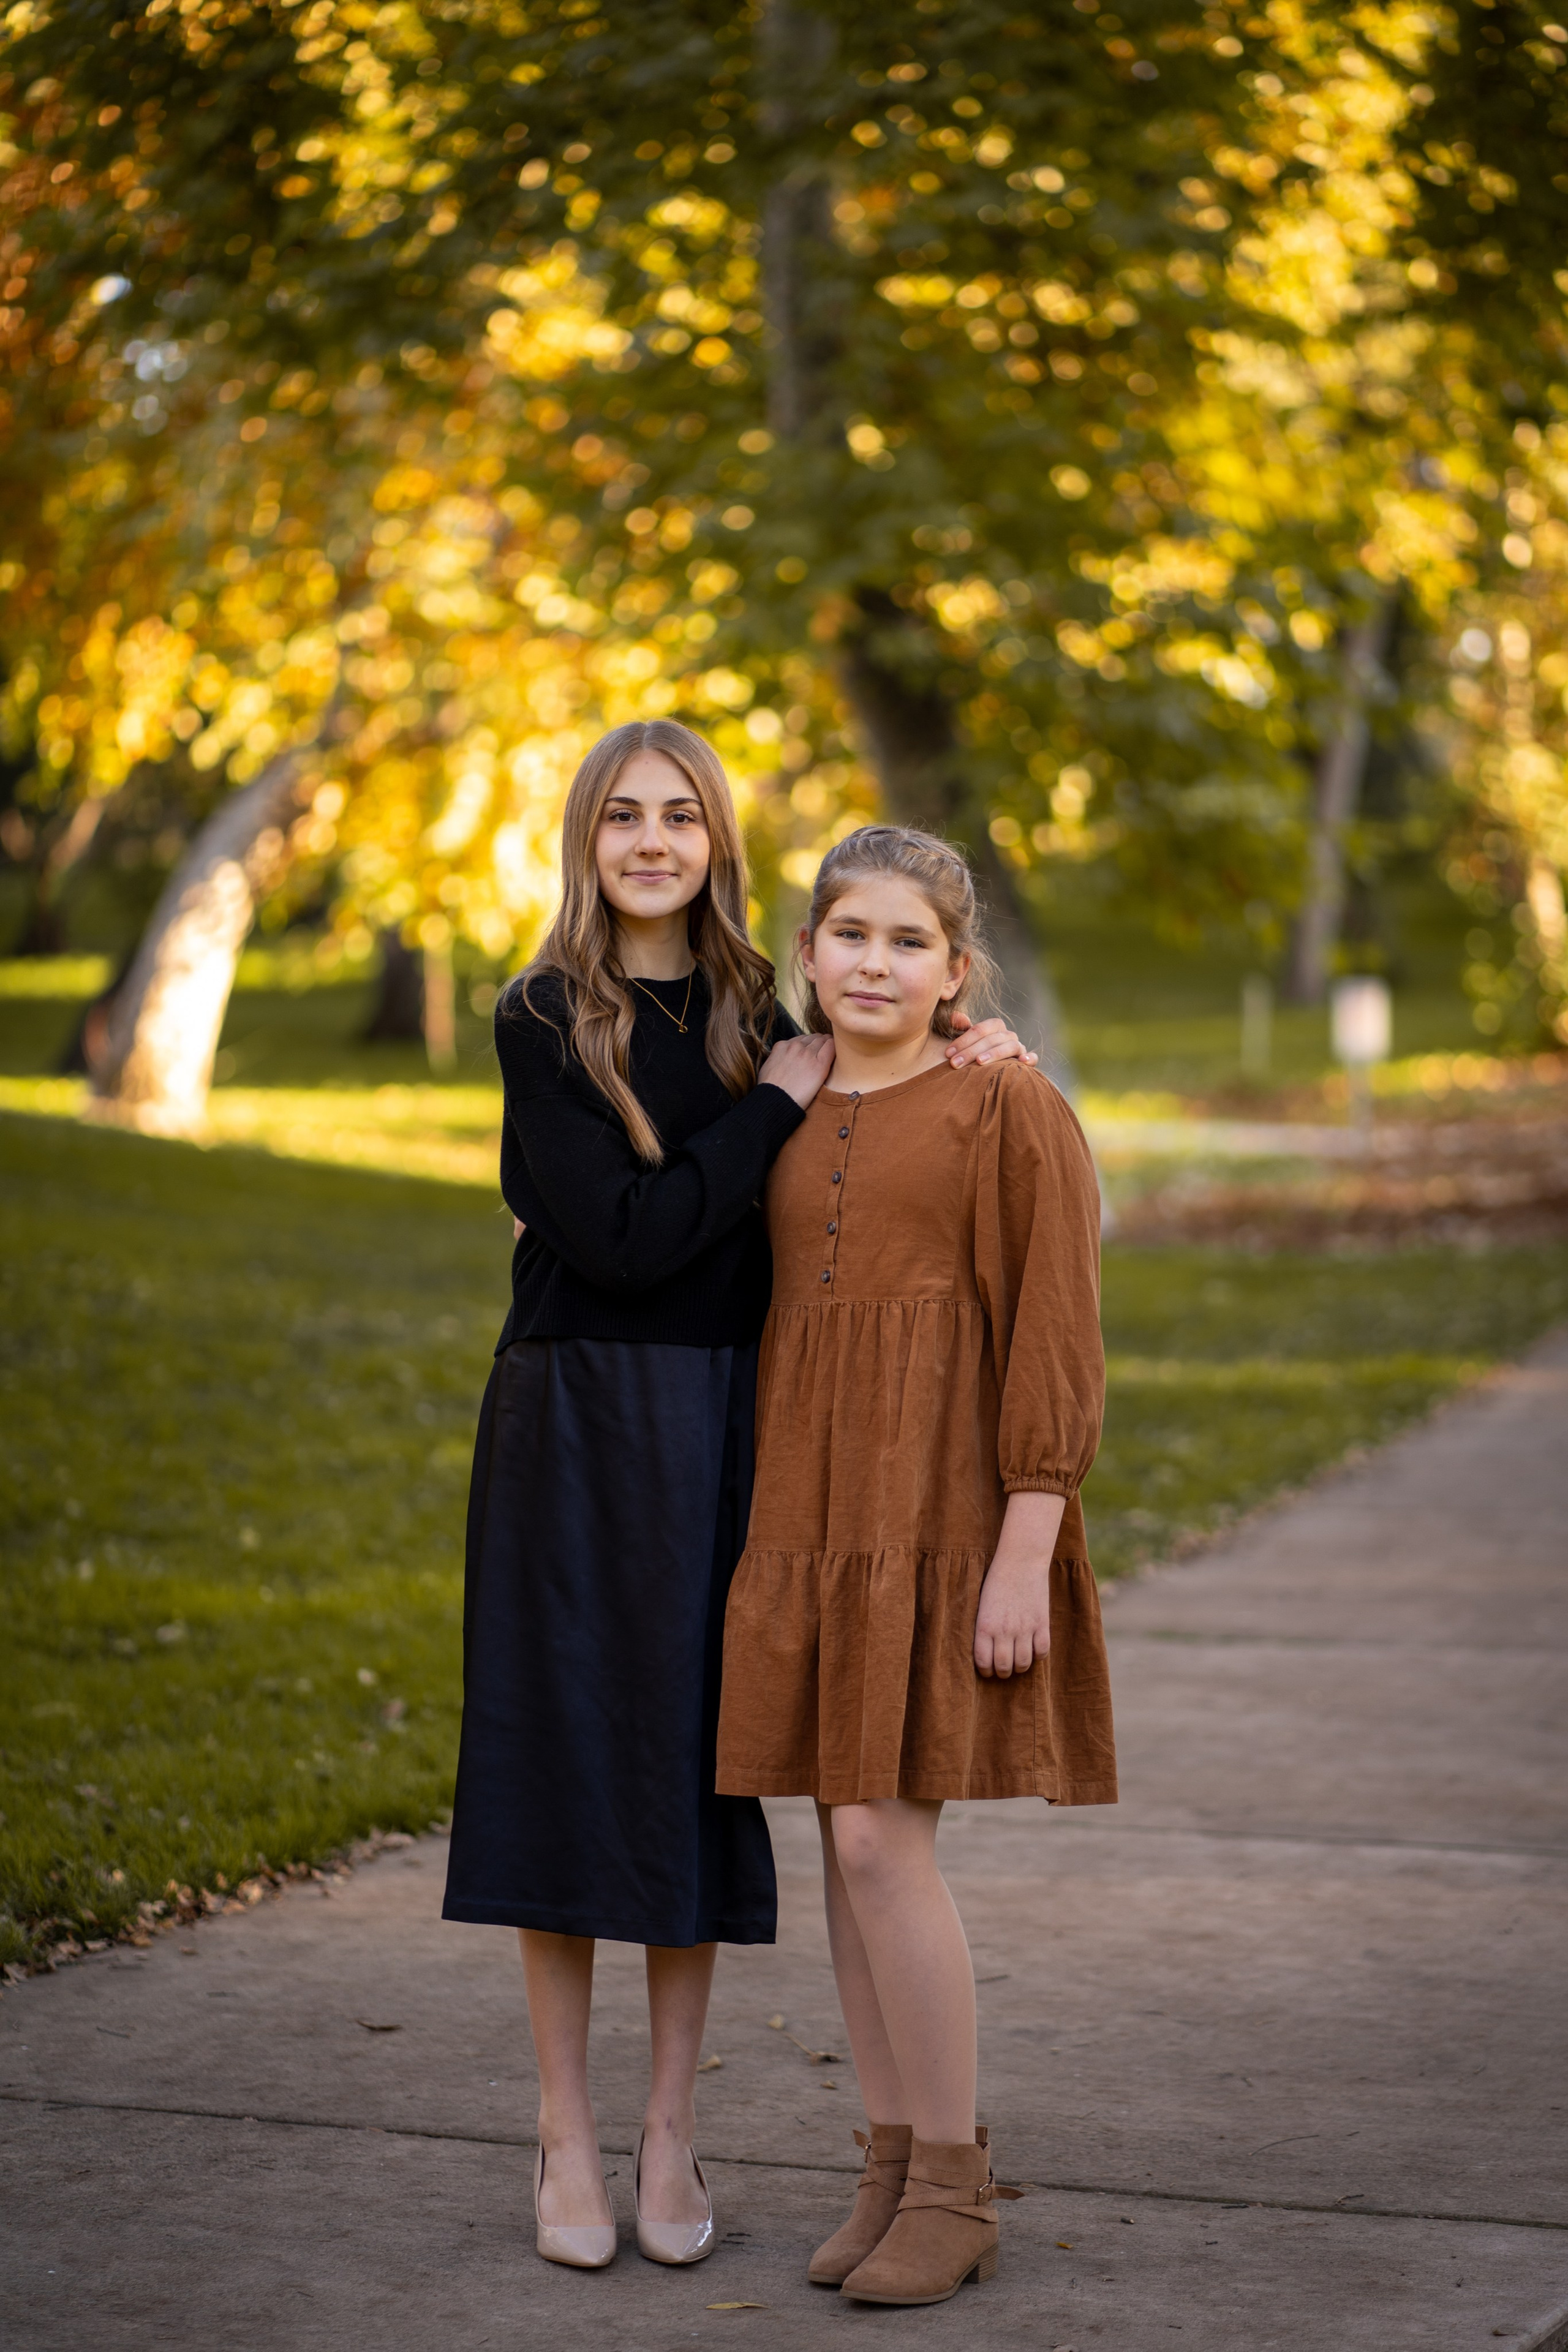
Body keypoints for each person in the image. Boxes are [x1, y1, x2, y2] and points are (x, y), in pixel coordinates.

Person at [441, 723, 1034, 2271]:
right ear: (587, 835)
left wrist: (983, 1046)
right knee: (564, 1764)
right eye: (624, 815)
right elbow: (627, 1240)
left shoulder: (768, 1009)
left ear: (717, 841)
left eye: (682, 816)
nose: (651, 841)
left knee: (696, 1776)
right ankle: (566, 2132)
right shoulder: (537, 1016)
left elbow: (880, 1094)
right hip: (572, 1414)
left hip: (729, 1424)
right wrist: (771, 1102)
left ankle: (668, 2133)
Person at [715, 823, 1116, 2307]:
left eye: (905, 942)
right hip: (809, 1511)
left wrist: (1028, 1543)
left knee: (885, 1839)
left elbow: (1057, 1338)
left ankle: (954, 2178)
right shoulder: (786, 1095)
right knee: (839, 1840)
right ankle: (884, 2161)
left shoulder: (1006, 1107)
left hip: (937, 1516)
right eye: (847, 935)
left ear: (957, 972)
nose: (870, 963)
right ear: (805, 952)